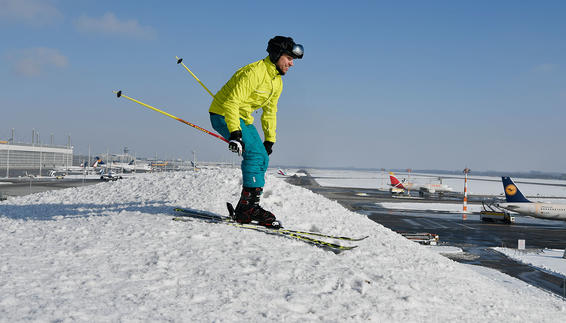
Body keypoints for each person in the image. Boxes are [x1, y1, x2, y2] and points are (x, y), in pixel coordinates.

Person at [208, 36, 304, 228]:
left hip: (242, 118)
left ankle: (249, 206)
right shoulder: (254, 72)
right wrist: (235, 134)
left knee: (263, 157)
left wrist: (270, 139)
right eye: (289, 58)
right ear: (277, 55)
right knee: (254, 155)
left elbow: (270, 112)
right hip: (224, 114)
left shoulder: (276, 82)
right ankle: (247, 209)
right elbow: (232, 102)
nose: (292, 64)